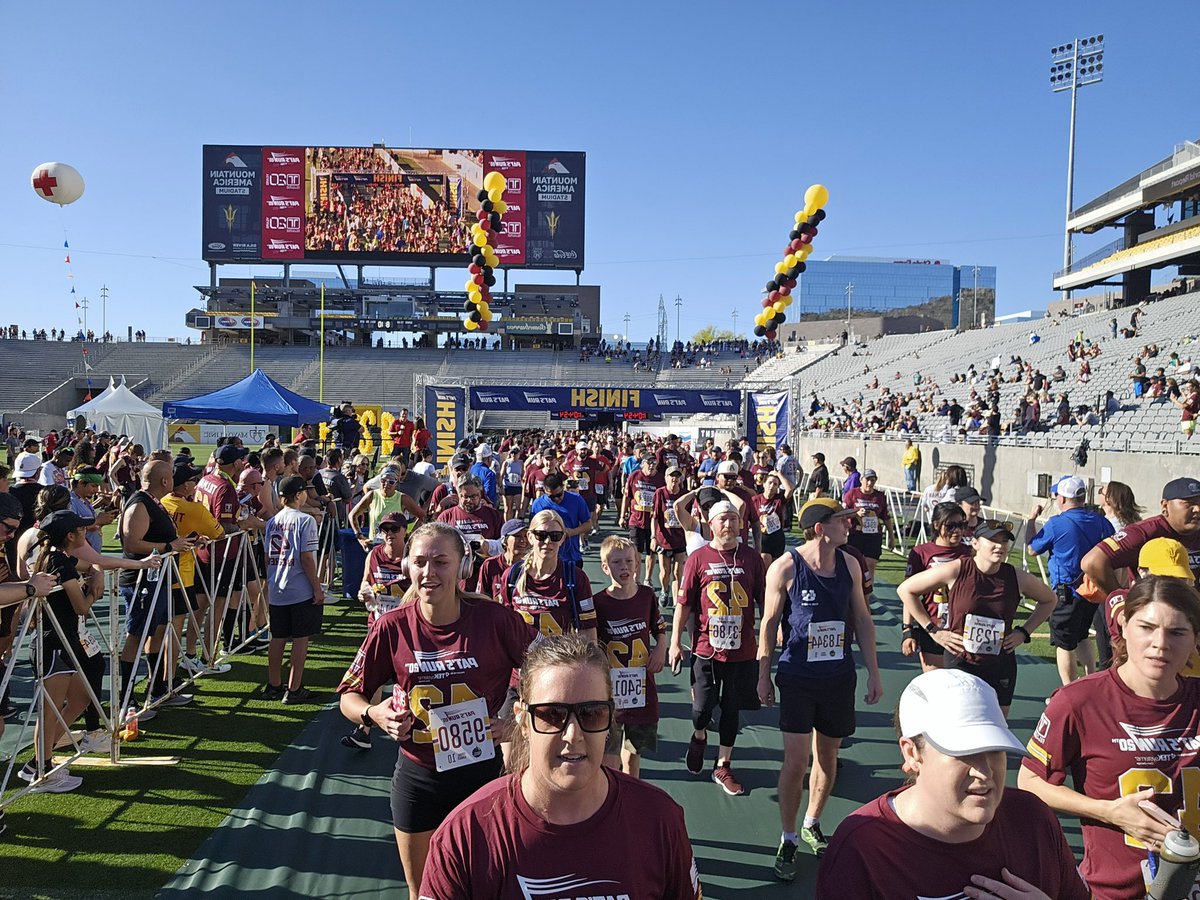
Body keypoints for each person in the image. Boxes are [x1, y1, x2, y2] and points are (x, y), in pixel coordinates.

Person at [418, 633, 702, 900]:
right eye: (552, 715)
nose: (572, 735)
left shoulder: (660, 820)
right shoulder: (466, 836)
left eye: (591, 714)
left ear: (610, 719)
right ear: (522, 720)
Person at [337, 522, 539, 898]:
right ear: (407, 567)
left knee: (488, 887)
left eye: (441, 562)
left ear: (463, 566)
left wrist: (518, 722)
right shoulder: (391, 626)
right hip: (419, 778)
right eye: (420, 562)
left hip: (482, 775)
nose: (429, 572)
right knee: (423, 893)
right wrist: (373, 714)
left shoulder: (495, 620)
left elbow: (555, 670)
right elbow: (350, 695)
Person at [816, 669, 1090, 900]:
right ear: (912, 753)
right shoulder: (862, 849)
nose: (984, 772)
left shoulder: (1032, 819)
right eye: (964, 752)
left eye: (995, 750)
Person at [1019, 576, 1200, 900]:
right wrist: (1107, 811)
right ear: (1124, 626)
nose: (1160, 643)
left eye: (1177, 632)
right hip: (1114, 890)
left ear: (1195, 639)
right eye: (1147, 627)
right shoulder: (1079, 701)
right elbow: (1030, 780)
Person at [758, 497, 882, 875]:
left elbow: (862, 619)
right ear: (819, 528)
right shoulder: (785, 567)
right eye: (842, 520)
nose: (849, 526)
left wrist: (874, 672)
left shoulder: (850, 564)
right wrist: (763, 674)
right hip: (798, 677)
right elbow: (769, 623)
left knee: (828, 758)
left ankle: (812, 821)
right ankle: (788, 837)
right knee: (796, 761)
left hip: (838, 677)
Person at [898, 519, 1058, 715]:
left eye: (1004, 541)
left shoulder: (1016, 577)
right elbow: (906, 590)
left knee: (998, 722)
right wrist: (933, 631)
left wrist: (1024, 632)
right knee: (960, 719)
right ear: (975, 543)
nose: (1000, 546)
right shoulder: (957, 569)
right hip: (961, 659)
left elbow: (1049, 600)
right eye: (993, 540)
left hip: (1000, 663)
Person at [670, 500, 765, 796]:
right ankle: (699, 736)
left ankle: (723, 763)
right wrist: (675, 642)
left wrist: (772, 630)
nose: (728, 524)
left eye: (733, 519)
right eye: (722, 519)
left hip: (742, 649)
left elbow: (764, 598)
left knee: (732, 708)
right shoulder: (698, 558)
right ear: (710, 524)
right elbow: (684, 604)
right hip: (706, 647)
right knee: (702, 709)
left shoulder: (751, 558)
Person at [594, 535, 666, 779]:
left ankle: (631, 791)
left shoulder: (646, 596)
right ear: (605, 567)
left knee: (634, 754)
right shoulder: (598, 603)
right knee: (608, 758)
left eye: (629, 561)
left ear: (637, 564)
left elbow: (659, 628)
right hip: (610, 690)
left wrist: (661, 648)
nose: (624, 567)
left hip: (642, 689)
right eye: (616, 562)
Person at [262, 475, 324, 704]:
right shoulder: (305, 521)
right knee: (300, 639)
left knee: (277, 637)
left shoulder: (273, 521)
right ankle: (294, 687)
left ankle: (274, 684)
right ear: (298, 495)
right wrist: (317, 588)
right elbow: (307, 558)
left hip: (278, 586)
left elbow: (267, 556)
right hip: (299, 588)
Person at [1082, 476, 1200, 593]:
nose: (1197, 509)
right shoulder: (1144, 532)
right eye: (1189, 503)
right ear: (1165, 506)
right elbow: (1092, 562)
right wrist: (1121, 599)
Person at [901, 501, 973, 673]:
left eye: (961, 525)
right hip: (933, 627)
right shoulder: (921, 553)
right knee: (934, 683)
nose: (957, 530)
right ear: (936, 525)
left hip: (963, 630)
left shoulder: (970, 553)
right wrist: (907, 630)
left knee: (963, 683)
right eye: (950, 526)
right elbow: (909, 594)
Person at [620, 452, 665, 587]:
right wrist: (622, 516)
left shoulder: (660, 479)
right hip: (636, 520)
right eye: (649, 463)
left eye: (654, 463)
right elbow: (627, 497)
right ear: (643, 464)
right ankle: (636, 580)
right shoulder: (634, 476)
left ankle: (647, 579)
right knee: (636, 551)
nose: (651, 466)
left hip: (653, 522)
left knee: (651, 551)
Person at [530, 473, 592, 566]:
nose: (556, 499)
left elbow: (588, 524)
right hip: (546, 558)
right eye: (551, 497)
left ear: (563, 487)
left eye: (559, 495)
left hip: (571, 557)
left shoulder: (576, 499)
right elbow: (533, 530)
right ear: (545, 491)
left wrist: (572, 532)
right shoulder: (538, 504)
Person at [843, 468, 889, 583]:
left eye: (872, 480)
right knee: (854, 563)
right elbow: (843, 513)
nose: (869, 483)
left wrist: (891, 538)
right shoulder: (852, 494)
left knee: (870, 564)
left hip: (874, 535)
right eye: (867, 480)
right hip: (855, 534)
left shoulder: (880, 496)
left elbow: (886, 517)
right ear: (861, 480)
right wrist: (856, 514)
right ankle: (854, 587)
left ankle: (868, 590)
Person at [652, 465, 688, 605]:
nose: (674, 479)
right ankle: (664, 589)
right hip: (664, 539)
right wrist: (653, 537)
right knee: (665, 572)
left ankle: (677, 600)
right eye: (672, 476)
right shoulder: (660, 493)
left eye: (677, 476)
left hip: (680, 539)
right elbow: (655, 517)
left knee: (678, 572)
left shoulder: (684, 494)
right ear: (666, 478)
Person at [475, 518, 528, 601]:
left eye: (526, 536)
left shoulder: (530, 567)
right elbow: (481, 598)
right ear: (504, 540)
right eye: (517, 536)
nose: (523, 540)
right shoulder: (490, 564)